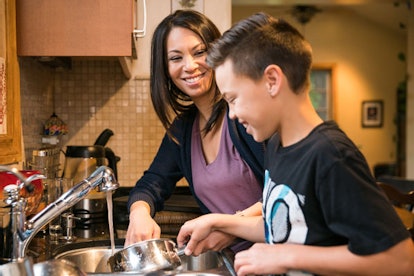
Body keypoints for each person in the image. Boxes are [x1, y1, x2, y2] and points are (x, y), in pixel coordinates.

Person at [177, 12, 414, 276]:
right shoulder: (277, 145)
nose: (231, 114)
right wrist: (217, 222)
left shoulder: (331, 156)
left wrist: (287, 257)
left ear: (272, 81)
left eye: (233, 99)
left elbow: (400, 259)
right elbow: (284, 227)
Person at [125, 9, 265, 253]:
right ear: (165, 68)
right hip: (234, 262)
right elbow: (152, 182)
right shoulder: (183, 129)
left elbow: (287, 189)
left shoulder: (244, 115)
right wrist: (139, 212)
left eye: (200, 52)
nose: (190, 66)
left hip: (276, 257)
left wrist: (232, 227)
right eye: (176, 58)